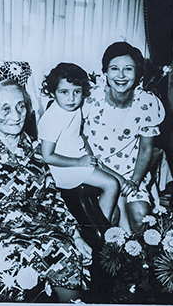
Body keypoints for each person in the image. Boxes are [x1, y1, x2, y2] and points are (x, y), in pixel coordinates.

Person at [0, 80, 89, 302]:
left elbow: (51, 198)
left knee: (67, 250)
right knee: (21, 269)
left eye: (20, 106)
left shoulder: (33, 147)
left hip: (44, 231)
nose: (16, 115)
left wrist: (75, 235)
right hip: (1, 236)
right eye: (5, 109)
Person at [82, 41, 167, 234]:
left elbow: (146, 149)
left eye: (128, 69)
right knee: (110, 218)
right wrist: (114, 177)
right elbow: (80, 137)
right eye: (114, 68)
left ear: (138, 74)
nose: (120, 76)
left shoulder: (147, 103)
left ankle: (138, 260)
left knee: (141, 215)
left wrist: (135, 181)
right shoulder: (91, 98)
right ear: (105, 72)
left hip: (131, 174)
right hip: (98, 170)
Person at [37, 62, 121, 222]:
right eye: (64, 92)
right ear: (53, 93)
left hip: (77, 160)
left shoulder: (75, 109)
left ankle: (105, 226)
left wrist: (88, 156)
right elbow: (47, 157)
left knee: (115, 203)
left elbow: (78, 135)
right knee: (112, 184)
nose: (71, 98)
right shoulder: (51, 118)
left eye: (77, 92)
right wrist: (80, 161)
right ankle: (102, 236)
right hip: (62, 168)